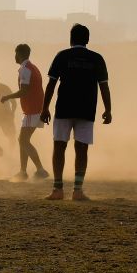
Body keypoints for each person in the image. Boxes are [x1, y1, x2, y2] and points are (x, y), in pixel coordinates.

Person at [41, 24, 111, 200]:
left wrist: (45, 108)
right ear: (87, 40)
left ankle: (58, 189)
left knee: (59, 146)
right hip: (86, 110)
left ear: (71, 39)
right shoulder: (97, 58)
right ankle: (77, 191)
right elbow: (104, 86)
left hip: (64, 108)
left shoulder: (62, 56)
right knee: (82, 149)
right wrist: (108, 109)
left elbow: (51, 84)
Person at [0, 43, 49, 181]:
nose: (14, 56)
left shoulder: (25, 69)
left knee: (23, 140)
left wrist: (7, 97)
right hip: (34, 108)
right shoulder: (32, 68)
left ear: (20, 54)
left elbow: (24, 90)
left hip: (32, 109)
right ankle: (23, 172)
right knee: (23, 140)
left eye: (15, 54)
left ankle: (40, 170)